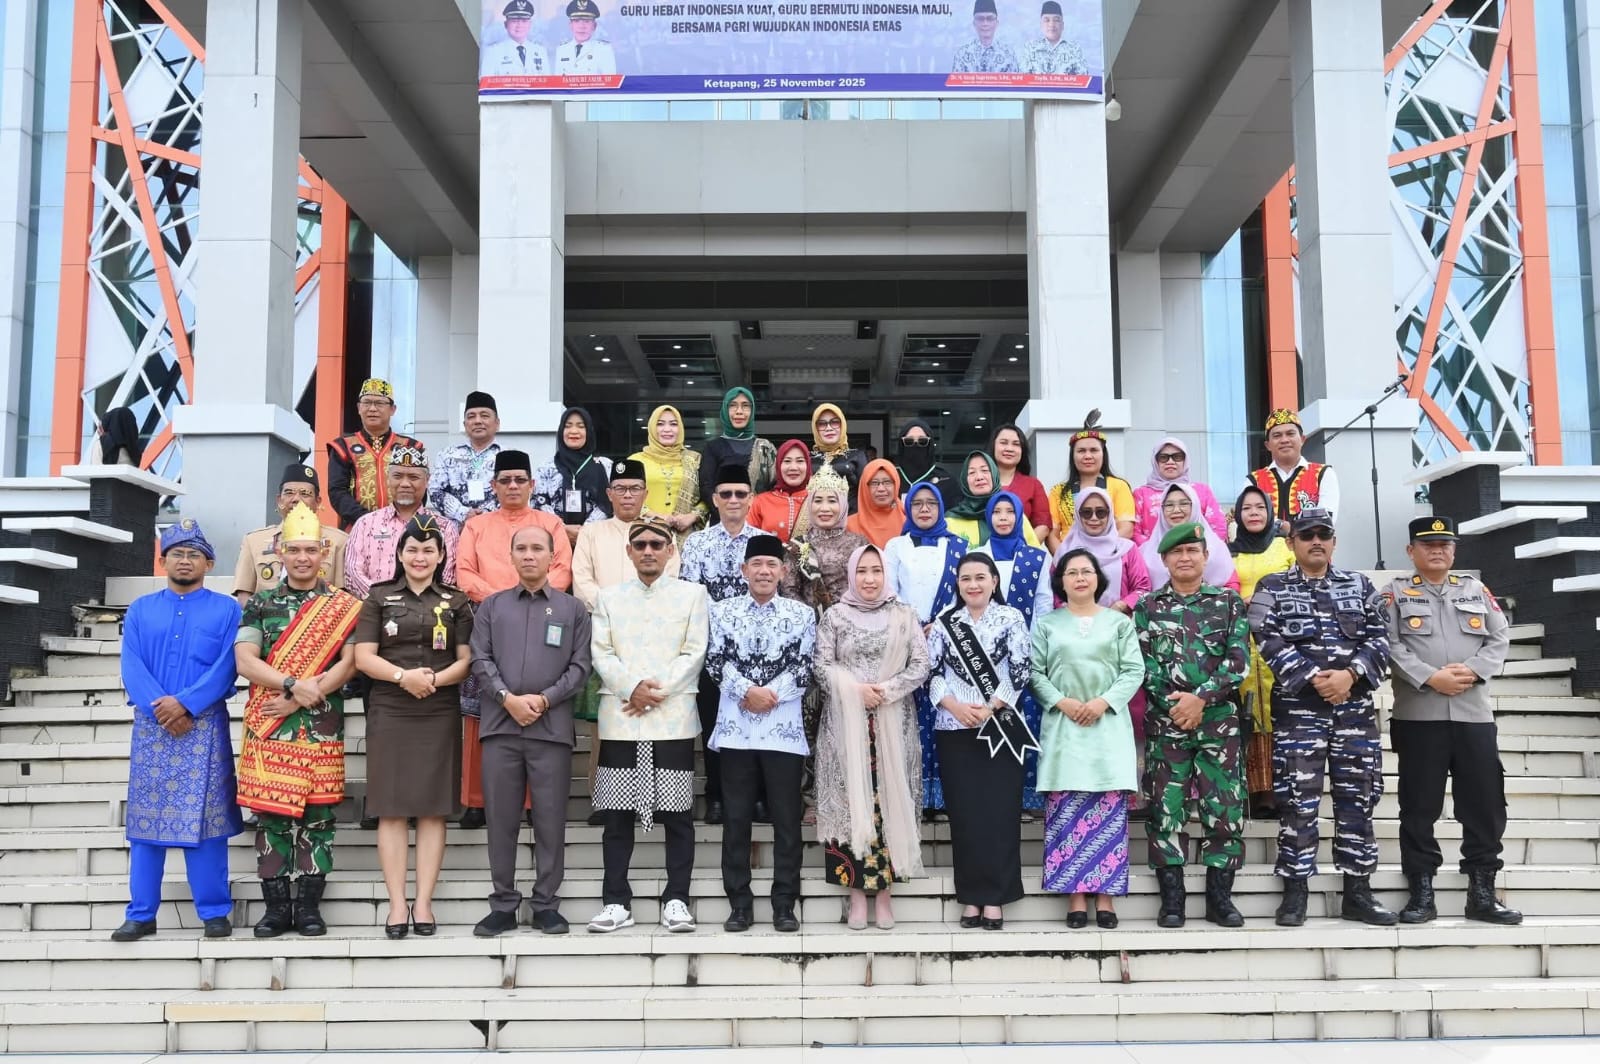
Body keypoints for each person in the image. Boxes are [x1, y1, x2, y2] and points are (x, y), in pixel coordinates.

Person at [1249, 507, 1393, 927]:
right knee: (1297, 801)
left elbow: (1381, 637)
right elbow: (1266, 637)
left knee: (1358, 799)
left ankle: (1358, 892)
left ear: (1333, 541)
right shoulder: (1272, 587)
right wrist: (1313, 677)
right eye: (1307, 535)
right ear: (1291, 542)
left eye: (1323, 535)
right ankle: (1295, 892)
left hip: (1353, 712)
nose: (1316, 541)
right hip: (1299, 713)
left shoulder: (1359, 585)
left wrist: (1351, 675)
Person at [1383, 516, 1521, 925]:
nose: (1437, 550)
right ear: (1411, 551)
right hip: (1419, 715)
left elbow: (1499, 637)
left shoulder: (1475, 590)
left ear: (1454, 550)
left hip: (1473, 715)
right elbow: (1387, 644)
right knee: (1418, 806)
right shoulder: (1394, 593)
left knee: (1484, 804)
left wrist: (1474, 670)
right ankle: (1421, 891)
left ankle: (1482, 892)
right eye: (1428, 545)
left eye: (1444, 544)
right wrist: (1430, 677)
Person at [233, 503, 361, 938]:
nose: (303, 558)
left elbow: (349, 663)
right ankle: (275, 909)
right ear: (280, 552)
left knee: (319, 818)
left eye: (310, 550)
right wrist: (291, 686)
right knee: (271, 817)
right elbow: (246, 660)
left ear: (324, 552)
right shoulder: (261, 603)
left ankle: (308, 908)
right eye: (294, 550)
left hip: (321, 725)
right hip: (270, 724)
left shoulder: (344, 606)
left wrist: (306, 696)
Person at [112, 521, 243, 942]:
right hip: (152, 726)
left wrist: (186, 704)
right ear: (162, 560)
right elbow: (132, 665)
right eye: (177, 554)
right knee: (146, 824)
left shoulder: (228, 610)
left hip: (204, 725)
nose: (185, 561)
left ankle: (214, 912)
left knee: (208, 822)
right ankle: (141, 913)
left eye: (194, 554)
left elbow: (227, 665)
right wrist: (163, 707)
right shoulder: (140, 609)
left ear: (209, 563)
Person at [352, 515, 473, 939]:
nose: (420, 557)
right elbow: (363, 657)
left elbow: (466, 660)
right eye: (412, 550)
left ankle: (423, 903)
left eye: (428, 550)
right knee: (391, 807)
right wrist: (404, 677)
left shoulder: (457, 601)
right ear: (400, 554)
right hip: (390, 706)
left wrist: (432, 680)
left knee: (432, 808)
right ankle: (397, 904)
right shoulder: (378, 597)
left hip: (438, 707)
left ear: (441, 557)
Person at [587, 516, 710, 934]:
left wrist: (654, 692)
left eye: (657, 544)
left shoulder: (692, 595)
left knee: (677, 816)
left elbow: (694, 651)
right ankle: (616, 902)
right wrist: (631, 689)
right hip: (623, 719)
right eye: (640, 545)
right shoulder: (609, 598)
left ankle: (677, 899)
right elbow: (601, 653)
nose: (648, 551)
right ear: (629, 552)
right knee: (616, 817)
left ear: (671, 550)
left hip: (672, 718)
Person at [469, 523, 592, 937]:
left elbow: (580, 666)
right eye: (520, 548)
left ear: (552, 556)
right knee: (501, 819)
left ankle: (546, 905)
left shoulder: (572, 610)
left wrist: (544, 700)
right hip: (501, 728)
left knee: (550, 820)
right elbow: (480, 659)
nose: (528, 555)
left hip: (550, 728)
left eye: (537, 548)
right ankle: (503, 904)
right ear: (511, 556)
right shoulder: (492, 607)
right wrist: (507, 698)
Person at [1134, 523, 1252, 929]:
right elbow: (1143, 666)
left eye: (1192, 551)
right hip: (1167, 724)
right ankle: (1173, 900)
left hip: (1218, 725)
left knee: (1224, 810)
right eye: (1176, 552)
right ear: (1164, 560)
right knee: (1165, 812)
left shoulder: (1228, 602)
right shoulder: (1148, 607)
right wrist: (1179, 705)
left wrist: (1201, 699)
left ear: (1205, 556)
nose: (1185, 558)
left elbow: (1238, 662)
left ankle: (1220, 900)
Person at [814, 544, 932, 930]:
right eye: (862, 571)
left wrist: (885, 690)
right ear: (852, 574)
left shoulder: (903, 614)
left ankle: (884, 895)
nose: (869, 579)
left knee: (887, 803)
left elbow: (921, 664)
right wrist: (855, 691)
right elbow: (821, 665)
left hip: (892, 721)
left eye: (876, 571)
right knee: (852, 803)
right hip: (845, 725)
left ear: (886, 574)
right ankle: (854, 894)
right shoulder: (835, 616)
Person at [456, 449, 574, 829]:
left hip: (544, 616)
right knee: (484, 708)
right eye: (504, 480)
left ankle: (532, 801)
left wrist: (529, 596)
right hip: (489, 619)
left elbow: (562, 570)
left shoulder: (550, 523)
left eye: (519, 479)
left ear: (532, 484)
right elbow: (464, 572)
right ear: (493, 485)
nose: (512, 486)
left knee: (536, 699)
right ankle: (478, 800)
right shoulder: (476, 526)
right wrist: (504, 601)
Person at [706, 535, 817, 933]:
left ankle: (784, 903)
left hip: (782, 731)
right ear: (744, 570)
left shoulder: (801, 614)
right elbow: (714, 661)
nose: (764, 571)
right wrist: (746, 692)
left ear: (784, 571)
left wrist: (770, 695)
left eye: (772, 564)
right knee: (736, 819)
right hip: (736, 730)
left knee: (786, 819)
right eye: (757, 564)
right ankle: (739, 904)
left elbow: (805, 666)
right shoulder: (722, 611)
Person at [1032, 549, 1144, 928]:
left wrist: (1102, 702)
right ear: (1060, 581)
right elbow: (1035, 673)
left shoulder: (1118, 623)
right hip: (1063, 726)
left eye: (1087, 571)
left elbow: (1133, 670)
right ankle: (1075, 896)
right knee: (1067, 812)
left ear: (1098, 578)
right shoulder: (1047, 624)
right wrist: (1062, 701)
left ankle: (1106, 897)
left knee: (1107, 812)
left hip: (1107, 725)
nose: (1080, 577)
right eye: (1072, 572)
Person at [925, 553, 1030, 930]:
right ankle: (970, 897)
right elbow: (931, 672)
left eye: (980, 577)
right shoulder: (945, 621)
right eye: (966, 578)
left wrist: (990, 707)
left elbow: (1021, 669)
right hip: (953, 728)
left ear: (994, 581)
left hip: (1000, 727)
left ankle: (996, 898)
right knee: (965, 816)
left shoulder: (1011, 618)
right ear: (957, 583)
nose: (973, 584)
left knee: (1000, 814)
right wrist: (954, 706)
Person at [571, 459, 678, 822]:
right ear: (609, 493)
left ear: (645, 493)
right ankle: (605, 801)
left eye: (634, 488)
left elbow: (669, 578)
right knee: (605, 724)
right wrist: (614, 611)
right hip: (604, 638)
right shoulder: (592, 533)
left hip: (653, 638)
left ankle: (653, 800)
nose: (627, 495)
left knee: (651, 718)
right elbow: (581, 581)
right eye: (620, 488)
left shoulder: (660, 533)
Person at [680, 463, 769, 824]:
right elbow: (691, 597)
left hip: (759, 652)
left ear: (751, 499)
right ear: (715, 499)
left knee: (756, 724)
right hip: (712, 651)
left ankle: (758, 797)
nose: (733, 499)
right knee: (715, 723)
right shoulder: (697, 543)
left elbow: (771, 592)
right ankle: (716, 796)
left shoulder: (764, 542)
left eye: (740, 493)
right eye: (726, 494)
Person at [882, 481, 963, 819]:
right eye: (918, 503)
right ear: (908, 508)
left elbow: (964, 591)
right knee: (912, 719)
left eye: (931, 503)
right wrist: (914, 625)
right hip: (906, 639)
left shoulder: (958, 545)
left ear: (941, 508)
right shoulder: (896, 545)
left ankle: (942, 798)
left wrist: (939, 624)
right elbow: (889, 590)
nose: (925, 509)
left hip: (949, 639)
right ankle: (913, 795)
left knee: (945, 714)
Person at [975, 491, 1052, 814]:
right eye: (997, 512)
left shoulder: (1037, 557)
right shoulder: (976, 555)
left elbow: (1043, 604)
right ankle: (990, 796)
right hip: (982, 659)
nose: (1003, 518)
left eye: (1010, 511)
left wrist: (1029, 649)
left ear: (1019, 517)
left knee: (1024, 724)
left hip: (1024, 657)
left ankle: (1027, 798)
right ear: (988, 517)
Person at [1229, 485, 1295, 818]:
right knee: (1248, 710)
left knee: (1276, 710)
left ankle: (1277, 792)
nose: (1253, 513)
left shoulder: (1285, 546)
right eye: (1246, 508)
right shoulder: (1229, 552)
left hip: (1279, 638)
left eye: (1259, 507)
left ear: (1270, 512)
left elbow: (1298, 585)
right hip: (1241, 638)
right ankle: (1252, 792)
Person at [344, 446, 459, 598]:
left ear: (427, 480)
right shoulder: (365, 524)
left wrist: (416, 603)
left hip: (429, 609)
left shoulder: (445, 527)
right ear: (388, 478)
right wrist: (383, 601)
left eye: (413, 477)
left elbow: (448, 577)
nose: (405, 483)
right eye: (397, 476)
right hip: (374, 607)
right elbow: (353, 572)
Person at [233, 464, 348, 602]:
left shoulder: (339, 541)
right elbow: (244, 594)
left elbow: (343, 595)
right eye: (289, 493)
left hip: (320, 614)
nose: (296, 499)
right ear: (279, 500)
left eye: (305, 493)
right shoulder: (253, 541)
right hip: (267, 614)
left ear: (318, 502)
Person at [326, 377, 425, 531]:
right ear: (359, 408)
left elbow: (420, 489)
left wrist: (400, 519)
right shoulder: (343, 447)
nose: (372, 408)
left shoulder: (410, 446)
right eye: (367, 403)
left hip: (402, 528)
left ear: (393, 409)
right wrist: (368, 520)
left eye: (379, 403)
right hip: (358, 527)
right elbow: (337, 492)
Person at [1054, 486, 1153, 615]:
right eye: (1086, 512)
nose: (1094, 518)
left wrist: (1120, 607)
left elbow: (1143, 588)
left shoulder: (1126, 549)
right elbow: (1054, 592)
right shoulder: (1065, 551)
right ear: (1078, 515)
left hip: (1119, 621)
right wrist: (1077, 613)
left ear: (1110, 514)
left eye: (1101, 512)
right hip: (1073, 622)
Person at [780, 468, 868, 612]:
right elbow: (788, 591)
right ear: (810, 504)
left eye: (832, 501)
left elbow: (868, 586)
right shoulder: (798, 545)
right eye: (818, 501)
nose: (824, 508)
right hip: (810, 622)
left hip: (853, 620)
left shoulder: (859, 544)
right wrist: (813, 618)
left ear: (843, 505)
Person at [1046, 421, 1136, 549]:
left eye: (1094, 450)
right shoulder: (1058, 492)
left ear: (1103, 454)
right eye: (1081, 451)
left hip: (1109, 555)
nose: (1088, 456)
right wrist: (1065, 557)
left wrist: (1098, 553)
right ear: (1073, 456)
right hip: (1069, 555)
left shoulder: (1119, 486)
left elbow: (1126, 529)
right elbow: (1052, 535)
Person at [1247, 408, 1341, 527]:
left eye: (1290, 434)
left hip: (1312, 539)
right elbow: (1248, 520)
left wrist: (1282, 527)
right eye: (1277, 435)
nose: (1284, 440)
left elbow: (1326, 520)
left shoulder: (1323, 474)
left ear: (1302, 439)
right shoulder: (1253, 481)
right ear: (1268, 445)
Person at [1140, 483, 1240, 593]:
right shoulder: (1145, 551)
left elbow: (1232, 587)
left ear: (1195, 506)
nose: (1176, 510)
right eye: (1169, 505)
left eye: (1183, 504)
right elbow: (1139, 589)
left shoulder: (1216, 547)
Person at [536, 406, 612, 546]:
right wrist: (562, 529)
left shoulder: (604, 466)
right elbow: (539, 503)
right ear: (561, 431)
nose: (574, 431)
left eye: (581, 426)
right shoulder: (546, 468)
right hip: (555, 542)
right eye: (568, 426)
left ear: (589, 431)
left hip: (595, 541)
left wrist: (584, 531)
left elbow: (609, 502)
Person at [630, 404, 706, 541]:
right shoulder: (635, 461)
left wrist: (692, 516)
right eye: (660, 424)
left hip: (686, 538)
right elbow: (627, 498)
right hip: (645, 535)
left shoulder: (694, 459)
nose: (667, 429)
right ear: (652, 428)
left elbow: (707, 495)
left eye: (673, 424)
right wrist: (654, 516)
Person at [1132, 437, 1228, 546]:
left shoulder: (1201, 491)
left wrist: (1198, 550)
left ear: (1185, 461)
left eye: (1177, 457)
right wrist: (1159, 551)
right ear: (1155, 462)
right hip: (1152, 554)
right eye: (1163, 457)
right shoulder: (1141, 494)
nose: (1170, 462)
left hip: (1198, 553)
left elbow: (1218, 528)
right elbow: (1135, 533)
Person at [699, 387, 777, 519]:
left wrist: (755, 515)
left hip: (760, 521)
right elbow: (707, 488)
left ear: (752, 410)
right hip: (723, 522)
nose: (739, 411)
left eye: (745, 406)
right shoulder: (713, 448)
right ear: (725, 410)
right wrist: (730, 517)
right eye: (733, 405)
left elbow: (775, 488)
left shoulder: (766, 448)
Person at [429, 391, 502, 525]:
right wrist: (463, 513)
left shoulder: (508, 456)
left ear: (497, 423)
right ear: (464, 424)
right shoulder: (447, 454)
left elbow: (515, 491)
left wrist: (484, 516)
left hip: (496, 527)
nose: (478, 421)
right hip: (456, 529)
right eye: (471, 416)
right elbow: (435, 491)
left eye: (484, 416)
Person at [990, 423, 1052, 542]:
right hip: (985, 551)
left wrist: (1022, 550)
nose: (1009, 448)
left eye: (1016, 444)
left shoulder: (1033, 485)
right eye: (1003, 443)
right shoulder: (981, 483)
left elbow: (1043, 526)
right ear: (993, 446)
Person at [749, 438, 814, 543]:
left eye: (800, 461)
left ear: (808, 465)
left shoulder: (817, 500)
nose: (793, 467)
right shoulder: (760, 502)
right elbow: (748, 543)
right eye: (787, 461)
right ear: (779, 465)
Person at [810, 403, 866, 508]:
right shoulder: (808, 458)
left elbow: (867, 493)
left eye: (835, 422)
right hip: (816, 516)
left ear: (842, 425)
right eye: (822, 424)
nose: (829, 428)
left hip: (851, 516)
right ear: (815, 428)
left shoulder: (857, 456)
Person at [848, 459, 906, 550]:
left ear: (896, 484)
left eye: (887, 482)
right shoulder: (849, 526)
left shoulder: (909, 522)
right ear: (865, 487)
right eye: (874, 483)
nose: (881, 489)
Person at [480, 0, 547, 76]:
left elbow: (548, 81)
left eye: (524, 21)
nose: (519, 25)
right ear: (506, 24)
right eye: (514, 21)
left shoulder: (540, 51)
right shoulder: (493, 52)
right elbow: (486, 81)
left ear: (530, 24)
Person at [952, 0, 1019, 72]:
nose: (985, 23)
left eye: (990, 18)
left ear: (997, 23)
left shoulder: (1008, 55)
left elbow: (1015, 78)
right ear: (974, 23)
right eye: (980, 19)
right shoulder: (962, 54)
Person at [1022, 1, 1088, 75]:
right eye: (1047, 20)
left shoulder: (1074, 49)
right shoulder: (1030, 48)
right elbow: (1023, 79)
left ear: (1062, 25)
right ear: (1041, 24)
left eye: (1056, 20)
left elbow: (1083, 78)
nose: (1051, 24)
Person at [554, 0, 616, 75]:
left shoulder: (604, 50)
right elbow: (558, 80)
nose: (581, 26)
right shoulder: (561, 50)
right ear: (570, 25)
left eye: (587, 21)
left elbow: (610, 80)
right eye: (576, 21)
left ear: (594, 26)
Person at [894, 418, 953, 496]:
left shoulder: (946, 481)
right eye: (909, 441)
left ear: (930, 445)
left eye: (922, 441)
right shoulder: (891, 478)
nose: (915, 445)